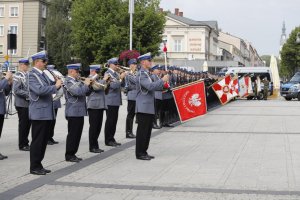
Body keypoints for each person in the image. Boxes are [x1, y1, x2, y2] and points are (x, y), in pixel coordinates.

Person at [28, 51, 62, 175]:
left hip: (46, 112)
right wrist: (55, 86)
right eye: (44, 61)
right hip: (39, 113)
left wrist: (56, 82)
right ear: (37, 62)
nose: (46, 63)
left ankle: (39, 164)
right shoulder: (31, 75)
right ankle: (34, 167)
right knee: (37, 141)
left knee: (43, 141)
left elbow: (50, 86)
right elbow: (39, 90)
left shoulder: (43, 74)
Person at [135, 52, 169, 160]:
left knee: (147, 131)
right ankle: (140, 153)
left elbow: (155, 87)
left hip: (148, 106)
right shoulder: (141, 74)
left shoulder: (147, 74)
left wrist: (164, 85)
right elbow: (149, 86)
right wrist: (162, 80)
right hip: (143, 107)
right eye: (149, 61)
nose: (151, 62)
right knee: (142, 131)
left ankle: (144, 151)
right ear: (143, 62)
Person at [64, 63, 91, 162]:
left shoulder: (76, 81)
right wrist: (86, 84)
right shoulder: (68, 82)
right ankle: (69, 154)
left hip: (79, 111)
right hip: (73, 111)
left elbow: (86, 92)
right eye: (77, 71)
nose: (78, 73)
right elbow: (78, 92)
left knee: (77, 134)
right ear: (71, 71)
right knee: (73, 134)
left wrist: (90, 85)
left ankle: (73, 153)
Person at [87, 64, 110, 153]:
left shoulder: (98, 79)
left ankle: (95, 145)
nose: (98, 73)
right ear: (92, 71)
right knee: (94, 127)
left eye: (98, 72)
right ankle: (92, 146)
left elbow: (104, 89)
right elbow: (96, 88)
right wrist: (104, 80)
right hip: (94, 106)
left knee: (98, 127)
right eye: (97, 71)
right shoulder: (90, 79)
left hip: (100, 105)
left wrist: (108, 82)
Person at [104, 58, 126, 147]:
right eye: (116, 64)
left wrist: (123, 78)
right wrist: (120, 79)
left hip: (115, 101)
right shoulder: (108, 73)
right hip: (110, 101)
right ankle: (108, 139)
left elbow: (123, 85)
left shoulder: (116, 73)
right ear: (111, 64)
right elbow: (113, 86)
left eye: (117, 64)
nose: (117, 66)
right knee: (110, 121)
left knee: (114, 121)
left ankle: (112, 138)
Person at [13, 58, 31, 151]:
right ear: (21, 65)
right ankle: (22, 144)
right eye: (26, 65)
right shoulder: (18, 75)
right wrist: (29, 94)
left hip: (28, 103)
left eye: (27, 65)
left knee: (28, 124)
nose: (27, 66)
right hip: (21, 103)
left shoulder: (27, 74)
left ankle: (25, 142)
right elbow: (16, 90)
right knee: (23, 125)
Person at [46, 65, 60, 145]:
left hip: (55, 101)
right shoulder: (47, 79)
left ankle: (50, 137)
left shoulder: (55, 79)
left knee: (53, 121)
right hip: (50, 101)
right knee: (49, 121)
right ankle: (47, 138)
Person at [0, 71, 13, 160]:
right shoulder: (2, 80)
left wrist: (9, 83)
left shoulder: (2, 80)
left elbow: (6, 92)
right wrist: (6, 78)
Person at [125, 58, 138, 138]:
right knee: (130, 115)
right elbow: (137, 82)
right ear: (130, 65)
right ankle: (128, 132)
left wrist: (133, 86)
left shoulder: (136, 73)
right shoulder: (128, 74)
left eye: (136, 64)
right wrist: (134, 86)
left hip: (136, 96)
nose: (135, 66)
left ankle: (131, 131)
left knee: (133, 115)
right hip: (132, 97)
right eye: (134, 64)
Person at [151, 65, 163, 129]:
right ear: (154, 70)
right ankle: (154, 123)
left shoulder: (158, 77)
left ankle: (156, 123)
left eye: (159, 69)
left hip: (159, 95)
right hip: (155, 95)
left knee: (158, 110)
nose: (159, 70)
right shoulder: (153, 76)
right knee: (155, 111)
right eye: (157, 69)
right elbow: (155, 86)